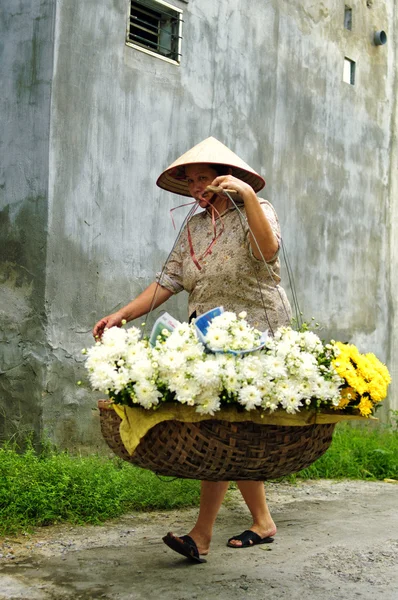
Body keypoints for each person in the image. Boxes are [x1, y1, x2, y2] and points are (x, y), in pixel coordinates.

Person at [93, 137, 292, 563]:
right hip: (207, 338)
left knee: (222, 430)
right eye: (193, 180)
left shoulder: (257, 209)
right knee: (224, 430)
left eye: (207, 177)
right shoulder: (195, 226)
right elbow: (167, 282)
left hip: (253, 334)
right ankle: (260, 522)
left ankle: (202, 536)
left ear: (229, 178)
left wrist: (248, 197)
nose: (200, 186)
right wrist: (120, 315)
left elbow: (269, 249)